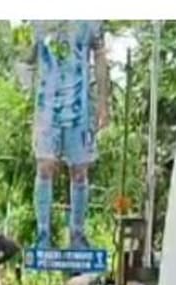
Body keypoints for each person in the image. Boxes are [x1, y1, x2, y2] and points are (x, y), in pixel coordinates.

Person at [31, 21, 110, 250]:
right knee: (44, 166)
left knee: (79, 170)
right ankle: (43, 234)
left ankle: (78, 234)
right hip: (47, 104)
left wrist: (103, 103)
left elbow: (100, 59)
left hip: (80, 105)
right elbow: (29, 59)